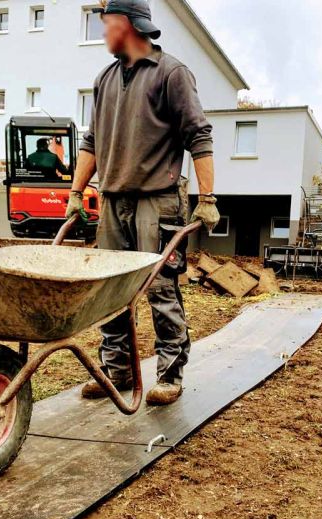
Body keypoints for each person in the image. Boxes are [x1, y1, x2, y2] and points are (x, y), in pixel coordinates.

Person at [66, 0, 220, 406]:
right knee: (111, 289)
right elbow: (92, 142)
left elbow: (199, 136)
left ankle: (169, 374)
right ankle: (115, 370)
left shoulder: (171, 73)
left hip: (158, 200)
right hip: (113, 200)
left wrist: (207, 197)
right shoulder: (104, 79)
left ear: (126, 24)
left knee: (160, 287)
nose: (102, 32)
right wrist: (76, 192)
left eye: (106, 24)